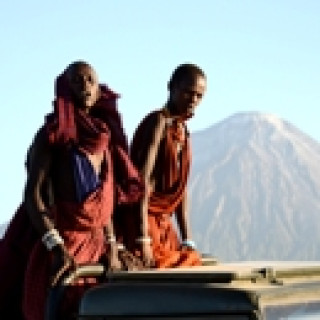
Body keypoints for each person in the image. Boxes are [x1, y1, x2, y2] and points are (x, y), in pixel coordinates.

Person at [0, 61, 143, 320]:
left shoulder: (104, 140)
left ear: (100, 90)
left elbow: (104, 204)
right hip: (64, 249)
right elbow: (33, 195)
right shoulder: (52, 137)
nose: (85, 86)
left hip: (98, 250)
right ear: (65, 89)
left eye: (90, 80)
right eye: (77, 81)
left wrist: (112, 245)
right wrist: (56, 248)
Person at [121, 63, 207, 268]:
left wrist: (188, 239)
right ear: (171, 87)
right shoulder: (158, 122)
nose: (193, 101)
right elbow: (142, 182)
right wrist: (143, 239)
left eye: (199, 96)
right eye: (188, 93)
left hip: (164, 225)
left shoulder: (183, 131)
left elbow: (180, 190)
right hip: (144, 220)